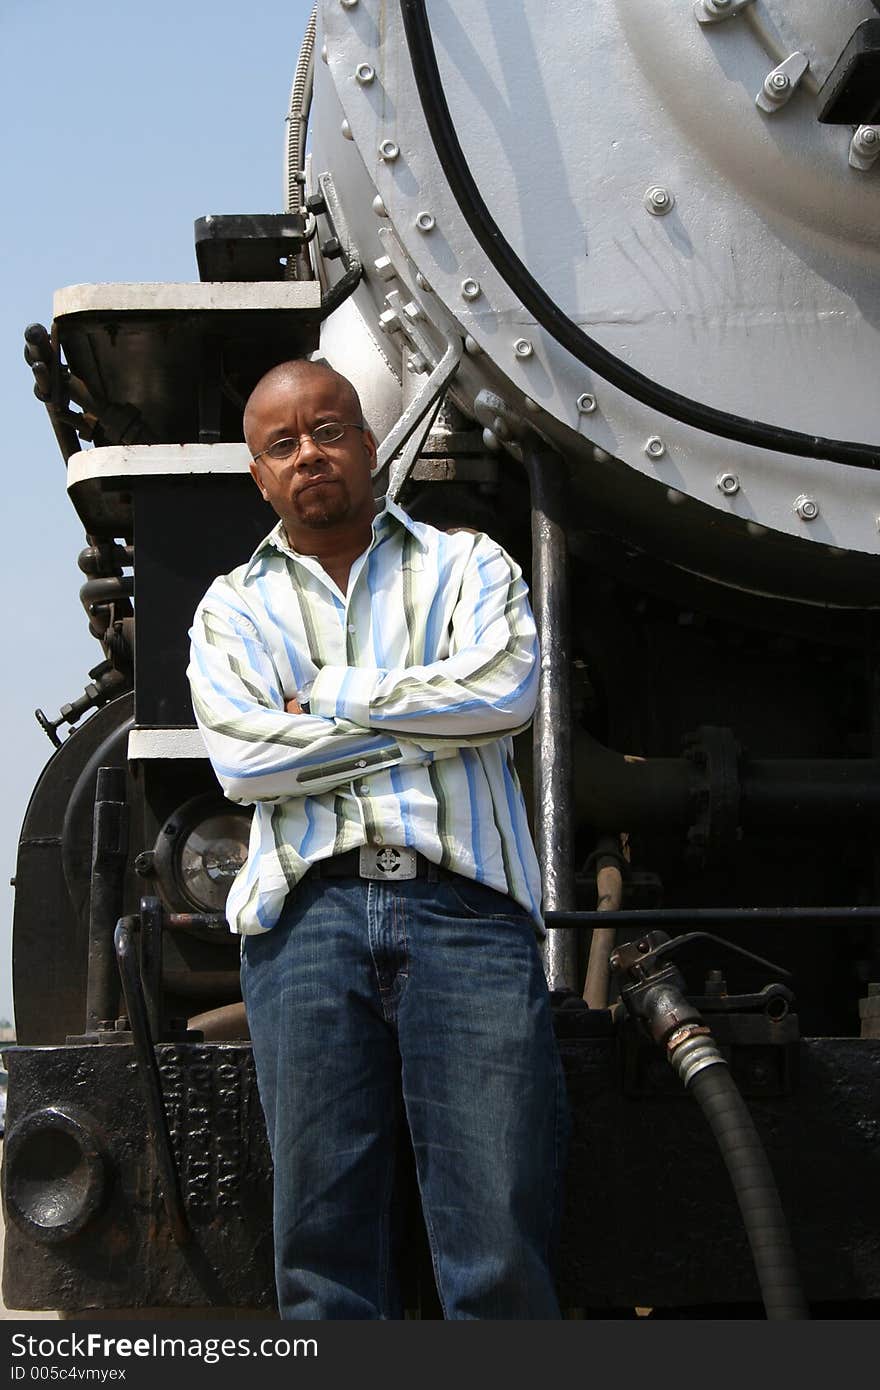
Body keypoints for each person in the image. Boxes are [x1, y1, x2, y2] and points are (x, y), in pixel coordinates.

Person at [187, 359, 568, 1319]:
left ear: (367, 443)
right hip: (306, 920)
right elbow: (244, 764)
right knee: (322, 1254)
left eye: (327, 430)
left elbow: (505, 695)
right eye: (283, 444)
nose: (308, 453)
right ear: (260, 476)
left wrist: (326, 695)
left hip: (467, 915)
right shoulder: (231, 606)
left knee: (500, 1241)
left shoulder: (469, 565)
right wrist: (428, 720)